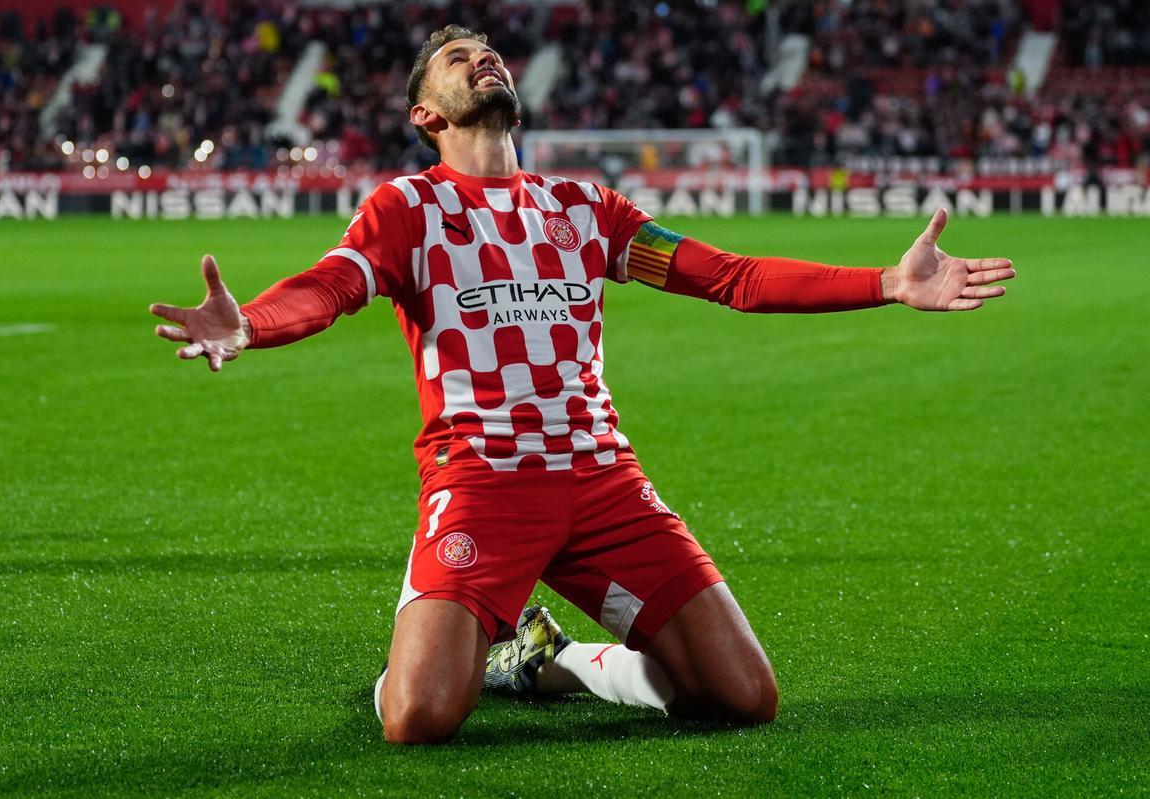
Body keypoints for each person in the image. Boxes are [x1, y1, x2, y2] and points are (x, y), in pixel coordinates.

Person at [149, 25, 1016, 744]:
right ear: (425, 111)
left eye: (488, 50)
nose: (483, 57)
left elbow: (732, 277)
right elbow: (331, 286)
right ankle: (443, 643)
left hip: (605, 485)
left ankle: (549, 661)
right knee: (417, 716)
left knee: (743, 697)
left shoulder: (586, 209)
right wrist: (249, 323)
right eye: (458, 57)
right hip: (482, 483)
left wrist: (889, 283)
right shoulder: (407, 208)